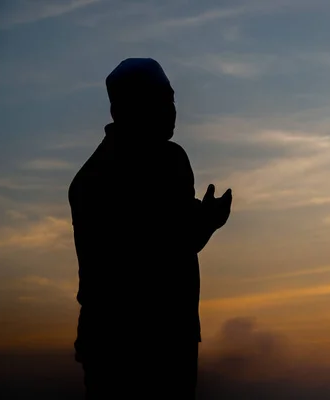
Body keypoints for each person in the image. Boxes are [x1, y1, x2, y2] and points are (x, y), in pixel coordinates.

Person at [68, 58, 232, 399]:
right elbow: (158, 252)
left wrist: (202, 222)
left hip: (150, 335)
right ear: (125, 107)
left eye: (171, 99)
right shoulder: (151, 166)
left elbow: (172, 241)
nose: (171, 110)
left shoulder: (96, 175)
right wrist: (207, 222)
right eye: (160, 100)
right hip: (137, 341)